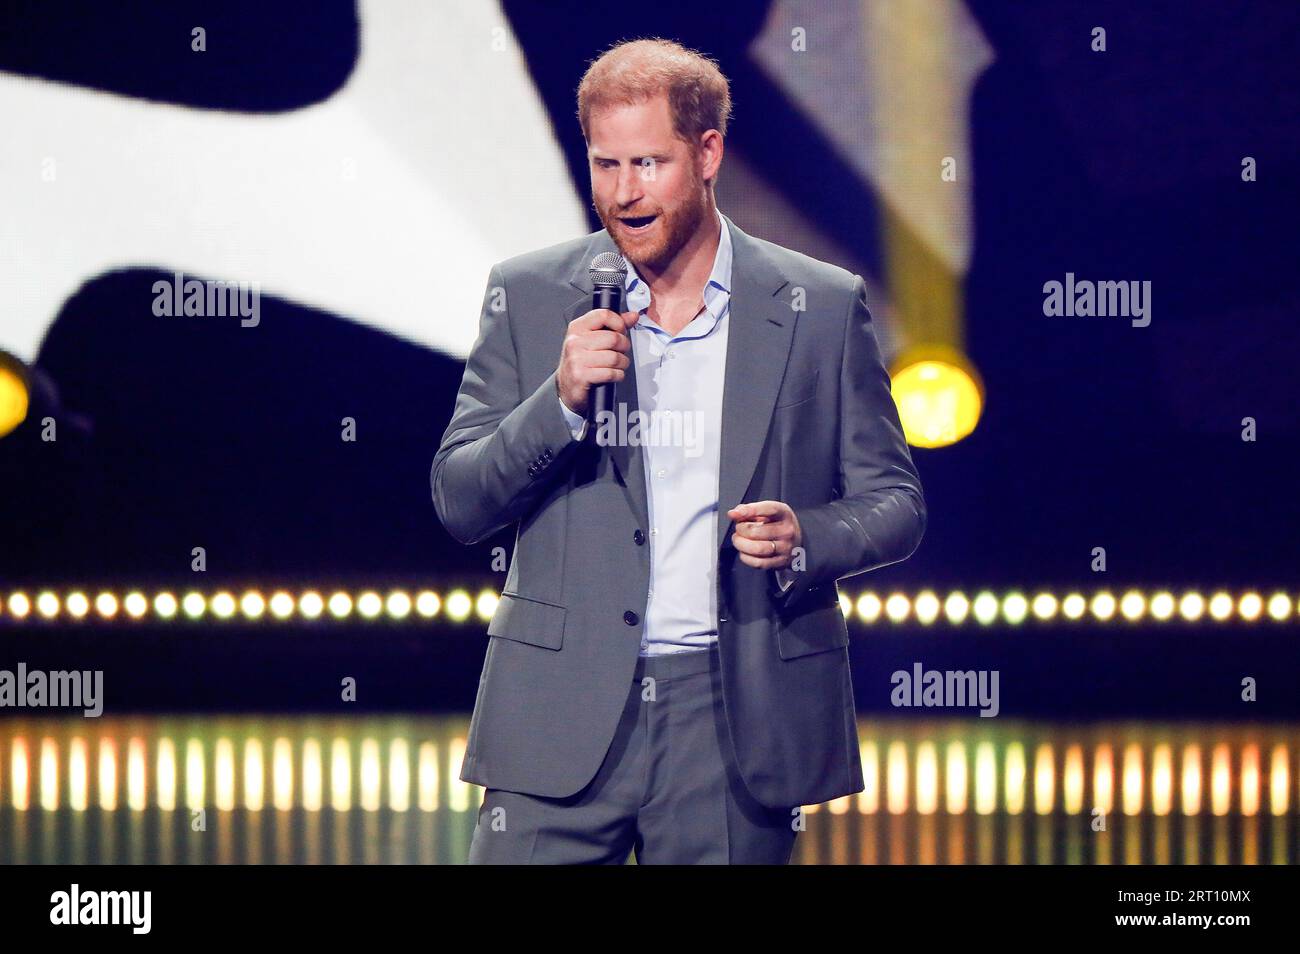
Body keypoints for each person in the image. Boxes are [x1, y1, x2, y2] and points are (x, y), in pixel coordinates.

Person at [431, 38, 925, 864]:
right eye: (606, 164)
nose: (624, 194)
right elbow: (459, 498)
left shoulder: (820, 306)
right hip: (559, 710)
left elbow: (896, 504)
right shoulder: (528, 294)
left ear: (707, 153)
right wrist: (557, 402)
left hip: (730, 720)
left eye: (649, 164)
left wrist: (807, 536)